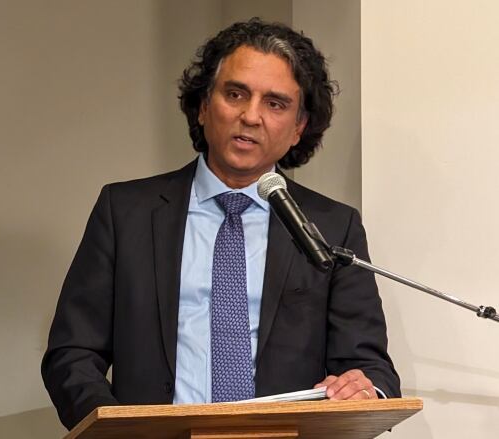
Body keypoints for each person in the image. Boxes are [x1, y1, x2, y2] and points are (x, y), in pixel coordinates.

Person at [41, 18, 400, 430]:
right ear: (203, 105)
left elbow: (371, 367)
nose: (250, 116)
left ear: (299, 127)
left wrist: (364, 388)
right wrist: (119, 430)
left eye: (275, 103)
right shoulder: (125, 212)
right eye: (235, 94)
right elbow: (71, 354)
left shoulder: (332, 227)